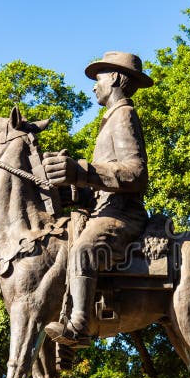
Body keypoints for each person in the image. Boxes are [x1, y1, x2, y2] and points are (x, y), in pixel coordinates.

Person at [42, 51, 154, 349]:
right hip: (103, 210)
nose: (94, 86)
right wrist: (72, 187)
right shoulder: (111, 119)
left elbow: (136, 174)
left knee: (83, 250)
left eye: (99, 78)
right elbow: (101, 182)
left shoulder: (124, 115)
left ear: (116, 78)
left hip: (122, 215)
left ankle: (78, 325)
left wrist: (81, 170)